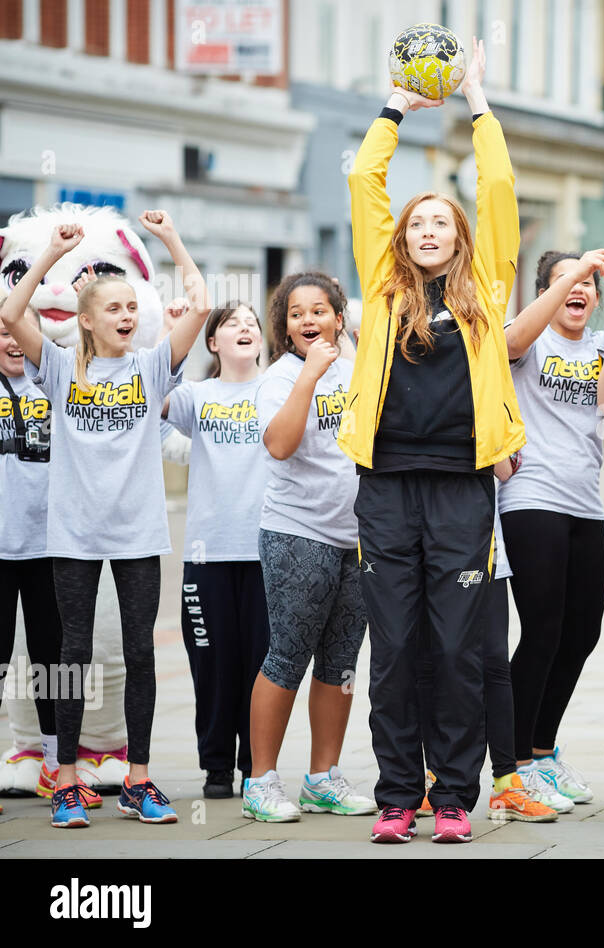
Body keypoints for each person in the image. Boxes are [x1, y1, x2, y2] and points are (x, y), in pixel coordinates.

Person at [340, 37, 523, 845]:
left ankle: (453, 797)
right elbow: (362, 180)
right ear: (403, 237)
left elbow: (502, 187)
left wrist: (477, 101)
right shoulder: (381, 288)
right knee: (394, 650)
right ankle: (393, 797)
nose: (428, 230)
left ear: (459, 239)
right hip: (384, 484)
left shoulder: (486, 292)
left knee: (455, 650)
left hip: (461, 487)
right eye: (418, 223)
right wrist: (395, 110)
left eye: (442, 223)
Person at [1, 212, 207, 828]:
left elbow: (198, 303)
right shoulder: (60, 368)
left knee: (140, 651)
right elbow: (12, 316)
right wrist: (47, 258)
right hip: (73, 535)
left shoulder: (149, 369)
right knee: (72, 653)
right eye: (110, 307)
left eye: (128, 306)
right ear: (85, 320)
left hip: (139, 533)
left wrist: (173, 238)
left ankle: (139, 780)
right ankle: (64, 781)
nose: (124, 315)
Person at [242, 272, 375, 825]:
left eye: (320, 310)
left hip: (358, 539)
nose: (309, 320)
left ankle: (323, 778)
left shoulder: (356, 368)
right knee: (288, 654)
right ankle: (261, 781)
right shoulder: (281, 377)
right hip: (298, 533)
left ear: (339, 319)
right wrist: (310, 377)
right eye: (297, 313)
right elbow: (279, 444)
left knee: (341, 662)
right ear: (285, 325)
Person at [498, 247, 604, 808]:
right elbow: (506, 345)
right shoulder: (527, 341)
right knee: (543, 631)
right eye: (566, 281)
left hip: (585, 505)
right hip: (530, 498)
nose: (579, 290)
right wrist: (569, 276)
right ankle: (515, 763)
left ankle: (544, 751)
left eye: (587, 283)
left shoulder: (599, 344)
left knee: (583, 633)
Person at [161, 302, 270, 799]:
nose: (245, 328)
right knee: (212, 664)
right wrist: (171, 331)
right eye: (232, 324)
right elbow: (153, 395)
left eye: (252, 322)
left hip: (269, 551)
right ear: (213, 343)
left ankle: (256, 767)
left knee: (261, 666)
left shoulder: (279, 389)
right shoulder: (197, 396)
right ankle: (216, 768)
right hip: (207, 556)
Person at [0, 310, 72, 816]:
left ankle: (54, 761)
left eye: (18, 332)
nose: (11, 341)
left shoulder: (58, 383)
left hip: (51, 547)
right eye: (2, 331)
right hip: (1, 548)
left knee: (55, 659)